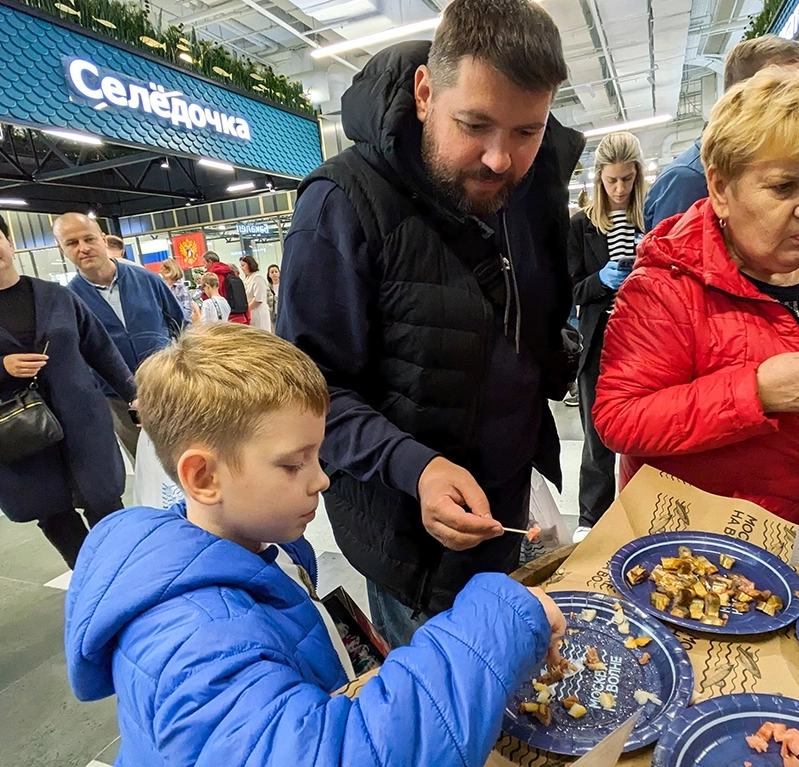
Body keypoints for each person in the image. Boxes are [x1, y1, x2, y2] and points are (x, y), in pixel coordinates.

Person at [64, 322, 566, 767]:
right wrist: (500, 620)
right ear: (204, 477)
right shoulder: (194, 642)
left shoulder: (256, 548)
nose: (322, 480)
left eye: (317, 456)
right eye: (293, 464)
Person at [278, 0, 583, 648]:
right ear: (424, 92)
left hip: (514, 516)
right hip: (411, 552)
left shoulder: (538, 185)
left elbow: (528, 322)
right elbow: (307, 392)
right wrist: (413, 467)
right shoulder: (341, 205)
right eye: (474, 125)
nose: (500, 159)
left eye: (526, 131)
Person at [593, 68, 799, 528]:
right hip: (698, 553)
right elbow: (619, 418)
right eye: (784, 187)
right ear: (721, 188)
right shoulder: (667, 286)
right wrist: (754, 392)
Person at [0, 206, 135, 569]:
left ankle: (124, 581)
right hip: (20, 433)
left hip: (81, 423)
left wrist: (134, 393)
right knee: (53, 514)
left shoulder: (56, 296)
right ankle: (91, 584)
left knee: (106, 505)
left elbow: (99, 348)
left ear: (10, 243)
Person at [643, 35, 799, 231]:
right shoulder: (689, 181)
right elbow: (675, 257)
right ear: (742, 97)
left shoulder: (782, 165)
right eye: (791, 95)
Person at [53, 212, 186, 461]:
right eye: (72, 243)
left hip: (168, 388)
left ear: (103, 240)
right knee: (147, 464)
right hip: (118, 400)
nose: (83, 248)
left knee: (189, 456)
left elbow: (181, 325)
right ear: (62, 249)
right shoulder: (67, 300)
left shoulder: (147, 280)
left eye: (88, 239)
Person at [567, 132, 645, 539]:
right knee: (598, 440)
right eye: (612, 181)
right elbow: (571, 290)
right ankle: (590, 520)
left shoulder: (649, 220)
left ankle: (642, 514)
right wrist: (601, 280)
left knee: (645, 436)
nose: (619, 189)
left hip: (644, 345)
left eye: (627, 180)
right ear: (598, 179)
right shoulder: (581, 226)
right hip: (599, 344)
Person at [202, 251, 249, 324]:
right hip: (241, 315)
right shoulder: (231, 272)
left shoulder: (214, 276)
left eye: (204, 263)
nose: (204, 267)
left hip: (228, 320)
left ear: (210, 262)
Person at [158, 258, 198, 323]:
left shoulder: (180, 287)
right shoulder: (162, 286)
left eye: (162, 268)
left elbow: (188, 310)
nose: (160, 271)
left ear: (169, 270)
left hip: (179, 325)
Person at [239, 254, 273, 332]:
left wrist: (247, 310)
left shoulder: (258, 277)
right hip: (251, 311)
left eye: (243, 265)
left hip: (258, 311)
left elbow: (258, 299)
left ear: (250, 264)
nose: (242, 268)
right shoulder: (248, 278)